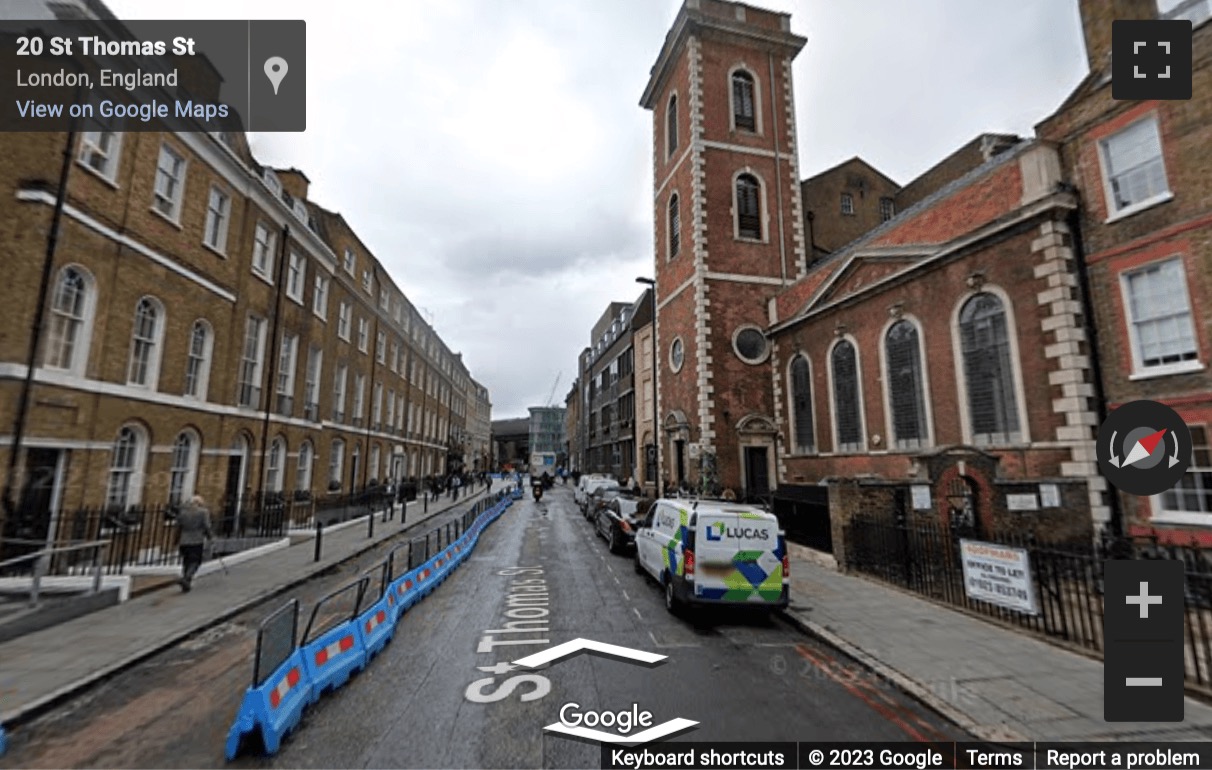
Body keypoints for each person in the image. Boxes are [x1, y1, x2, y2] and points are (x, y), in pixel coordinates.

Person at [176, 494, 213, 592]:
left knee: (186, 560)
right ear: (200, 503)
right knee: (195, 561)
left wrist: (177, 540)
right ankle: (187, 577)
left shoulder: (183, 512)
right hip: (196, 540)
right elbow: (206, 526)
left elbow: (178, 526)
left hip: (184, 540)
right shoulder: (203, 512)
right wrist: (210, 536)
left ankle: (186, 582)